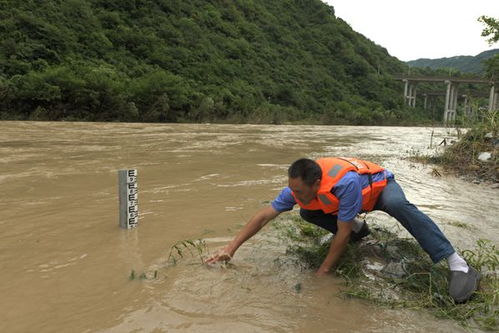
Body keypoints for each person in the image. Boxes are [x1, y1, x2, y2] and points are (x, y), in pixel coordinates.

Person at [206, 157, 480, 303]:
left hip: (379, 189)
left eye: (299, 190)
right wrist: (231, 248)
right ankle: (363, 231)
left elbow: (341, 232)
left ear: (316, 183)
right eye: (292, 188)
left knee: (399, 205)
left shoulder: (344, 184)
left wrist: (323, 273)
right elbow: (264, 216)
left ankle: (457, 263)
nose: (294, 193)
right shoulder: (298, 188)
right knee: (306, 210)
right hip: (348, 204)